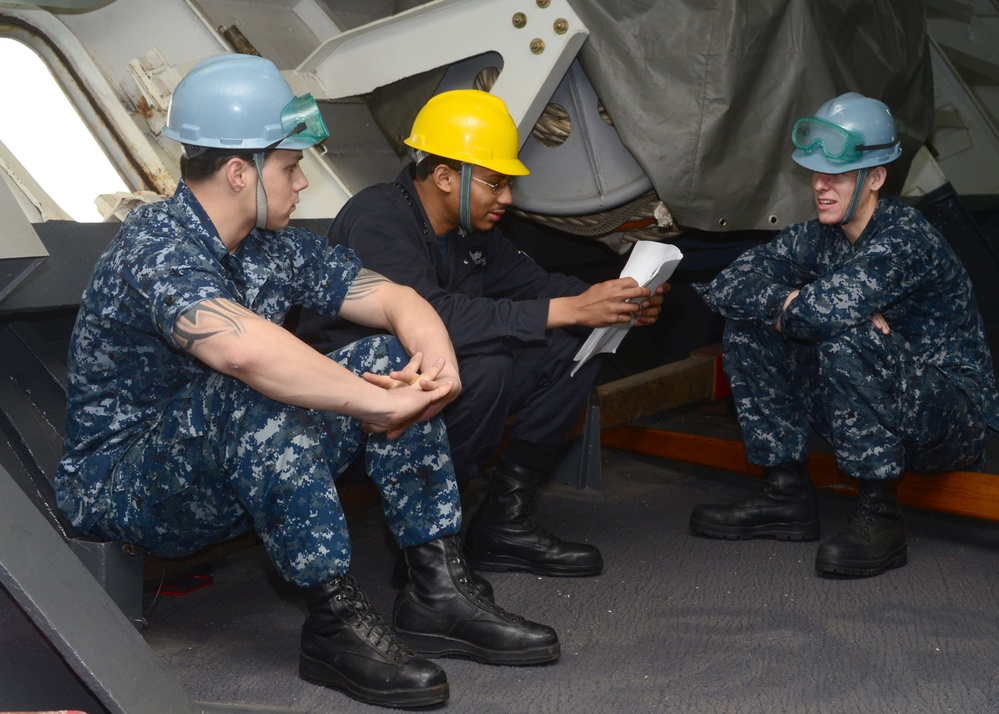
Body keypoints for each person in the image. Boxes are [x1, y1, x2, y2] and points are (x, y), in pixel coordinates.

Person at [54, 55, 559, 710]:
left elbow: (395, 300)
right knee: (256, 388)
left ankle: (435, 588)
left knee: (383, 354)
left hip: (228, 468)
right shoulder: (157, 247)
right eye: (290, 168)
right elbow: (242, 353)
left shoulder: (271, 247)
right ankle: (332, 622)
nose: (301, 185)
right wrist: (375, 402)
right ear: (240, 171)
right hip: (130, 490)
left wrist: (436, 369)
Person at [296, 89, 665, 578]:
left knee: (575, 339)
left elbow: (537, 288)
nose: (507, 198)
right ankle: (427, 549)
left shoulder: (474, 230)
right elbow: (437, 315)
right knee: (488, 365)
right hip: (358, 411)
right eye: (495, 183)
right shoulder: (378, 218)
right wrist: (572, 308)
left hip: (428, 400)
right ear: (445, 177)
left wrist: (610, 300)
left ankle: (502, 522)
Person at [689, 92, 999, 577]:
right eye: (815, 174)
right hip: (874, 402)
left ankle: (880, 514)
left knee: (845, 330)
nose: (820, 186)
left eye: (836, 175)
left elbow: (821, 317)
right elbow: (726, 284)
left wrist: (813, 307)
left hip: (947, 421)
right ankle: (786, 492)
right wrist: (791, 303)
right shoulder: (819, 236)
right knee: (751, 327)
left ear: (875, 178)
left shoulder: (903, 238)